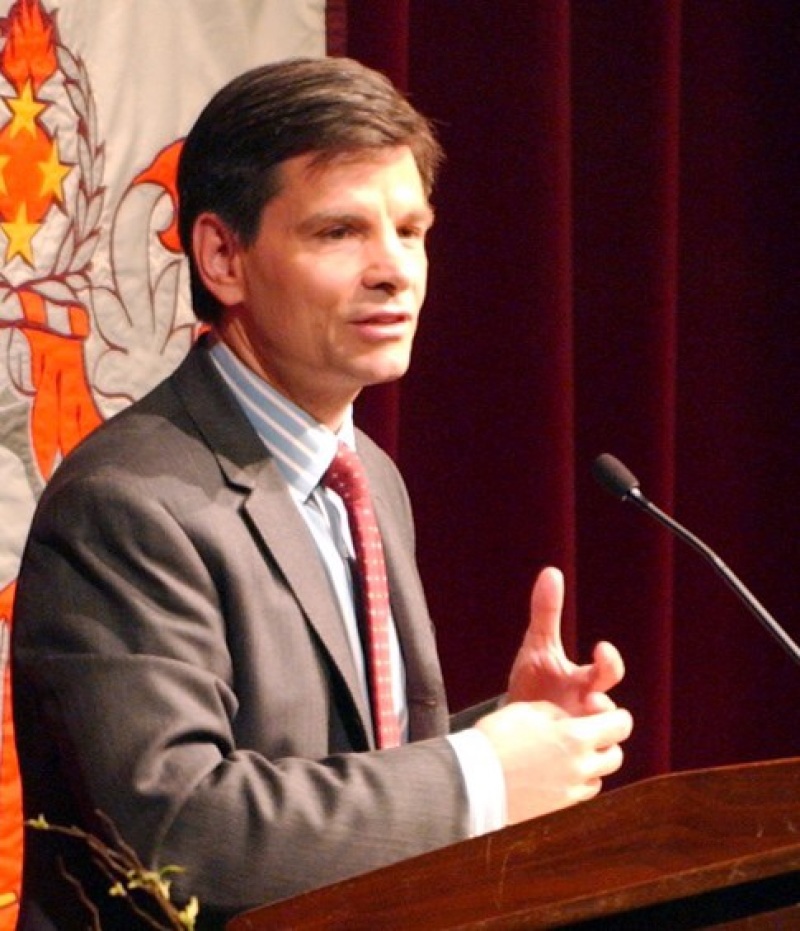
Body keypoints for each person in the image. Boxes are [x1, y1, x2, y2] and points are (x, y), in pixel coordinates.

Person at [12, 57, 633, 930]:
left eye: (411, 230)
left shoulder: (367, 473)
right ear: (223, 255)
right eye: (340, 232)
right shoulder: (127, 503)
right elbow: (180, 829)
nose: (395, 271)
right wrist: (478, 774)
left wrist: (506, 730)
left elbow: (342, 766)